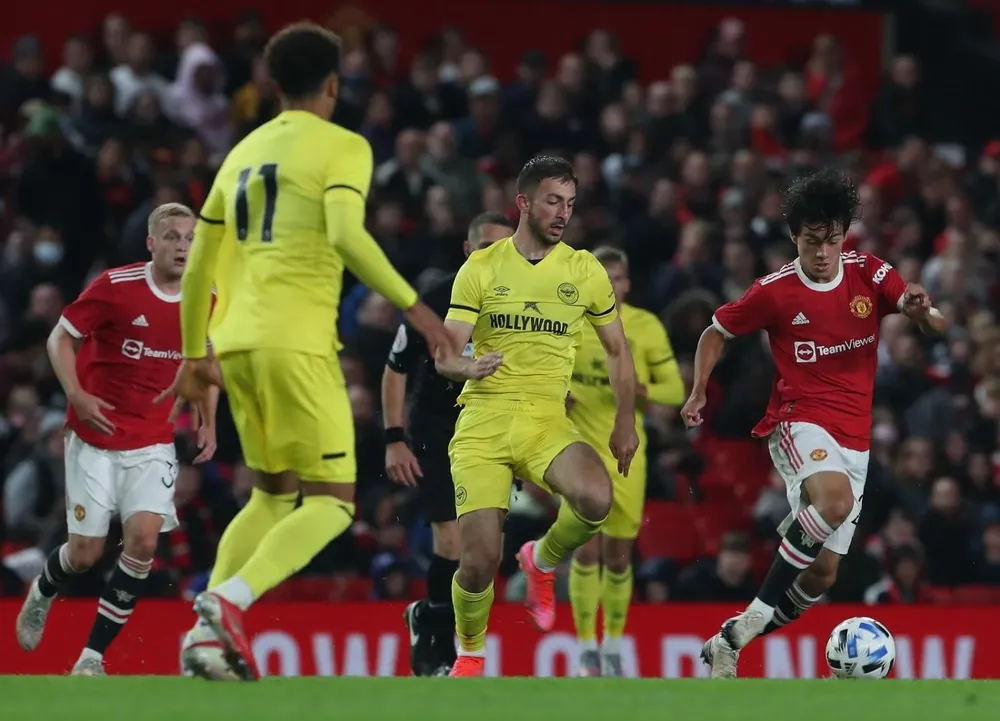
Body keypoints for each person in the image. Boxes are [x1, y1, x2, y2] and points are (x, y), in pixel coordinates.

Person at [158, 22, 452, 682]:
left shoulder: (241, 151)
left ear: (273, 85)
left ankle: (201, 638)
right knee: (332, 501)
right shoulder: (343, 146)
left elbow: (199, 261)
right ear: (332, 85)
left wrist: (193, 356)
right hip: (297, 341)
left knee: (269, 496)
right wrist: (416, 308)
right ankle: (228, 600)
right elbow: (346, 234)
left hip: (235, 343)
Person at [681, 169, 945, 678]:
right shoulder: (775, 291)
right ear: (793, 236)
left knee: (822, 574)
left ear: (844, 233)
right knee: (834, 502)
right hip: (798, 421)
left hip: (856, 441)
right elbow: (716, 332)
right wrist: (697, 391)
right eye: (811, 241)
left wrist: (920, 312)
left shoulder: (869, 273)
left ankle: (730, 640)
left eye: (832, 239)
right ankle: (749, 620)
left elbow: (936, 320)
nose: (822, 252)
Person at [435, 155, 641, 678]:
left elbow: (617, 350)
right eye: (553, 201)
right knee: (479, 561)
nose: (562, 213)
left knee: (596, 496)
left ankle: (542, 560)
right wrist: (467, 367)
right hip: (483, 419)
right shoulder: (481, 267)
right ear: (523, 202)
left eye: (570, 204)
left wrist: (625, 421)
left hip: (546, 419)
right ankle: (471, 652)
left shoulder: (583, 270)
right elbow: (445, 353)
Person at [14, 203, 217, 676]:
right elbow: (58, 340)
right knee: (85, 555)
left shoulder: (203, 296)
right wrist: (77, 395)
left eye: (190, 238)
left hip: (153, 439)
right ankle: (43, 590)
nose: (183, 246)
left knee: (143, 542)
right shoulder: (116, 286)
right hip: (95, 435)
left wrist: (209, 414)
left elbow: (204, 357)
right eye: (171, 236)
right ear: (151, 243)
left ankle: (91, 659)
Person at [382, 210, 515, 677]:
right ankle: (437, 648)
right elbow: (395, 369)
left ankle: (428, 617)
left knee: (482, 552)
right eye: (485, 248)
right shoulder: (435, 302)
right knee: (453, 539)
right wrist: (394, 438)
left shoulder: (519, 302)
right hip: (439, 431)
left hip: (494, 431)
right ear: (467, 250)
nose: (494, 258)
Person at [565, 246, 685, 677]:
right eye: (602, 277)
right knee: (585, 552)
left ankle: (612, 645)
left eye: (616, 278)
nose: (610, 285)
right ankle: (584, 650)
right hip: (577, 450)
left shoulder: (645, 326)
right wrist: (557, 394)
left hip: (626, 453)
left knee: (617, 557)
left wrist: (640, 389)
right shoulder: (568, 319)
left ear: (627, 283)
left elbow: (675, 390)